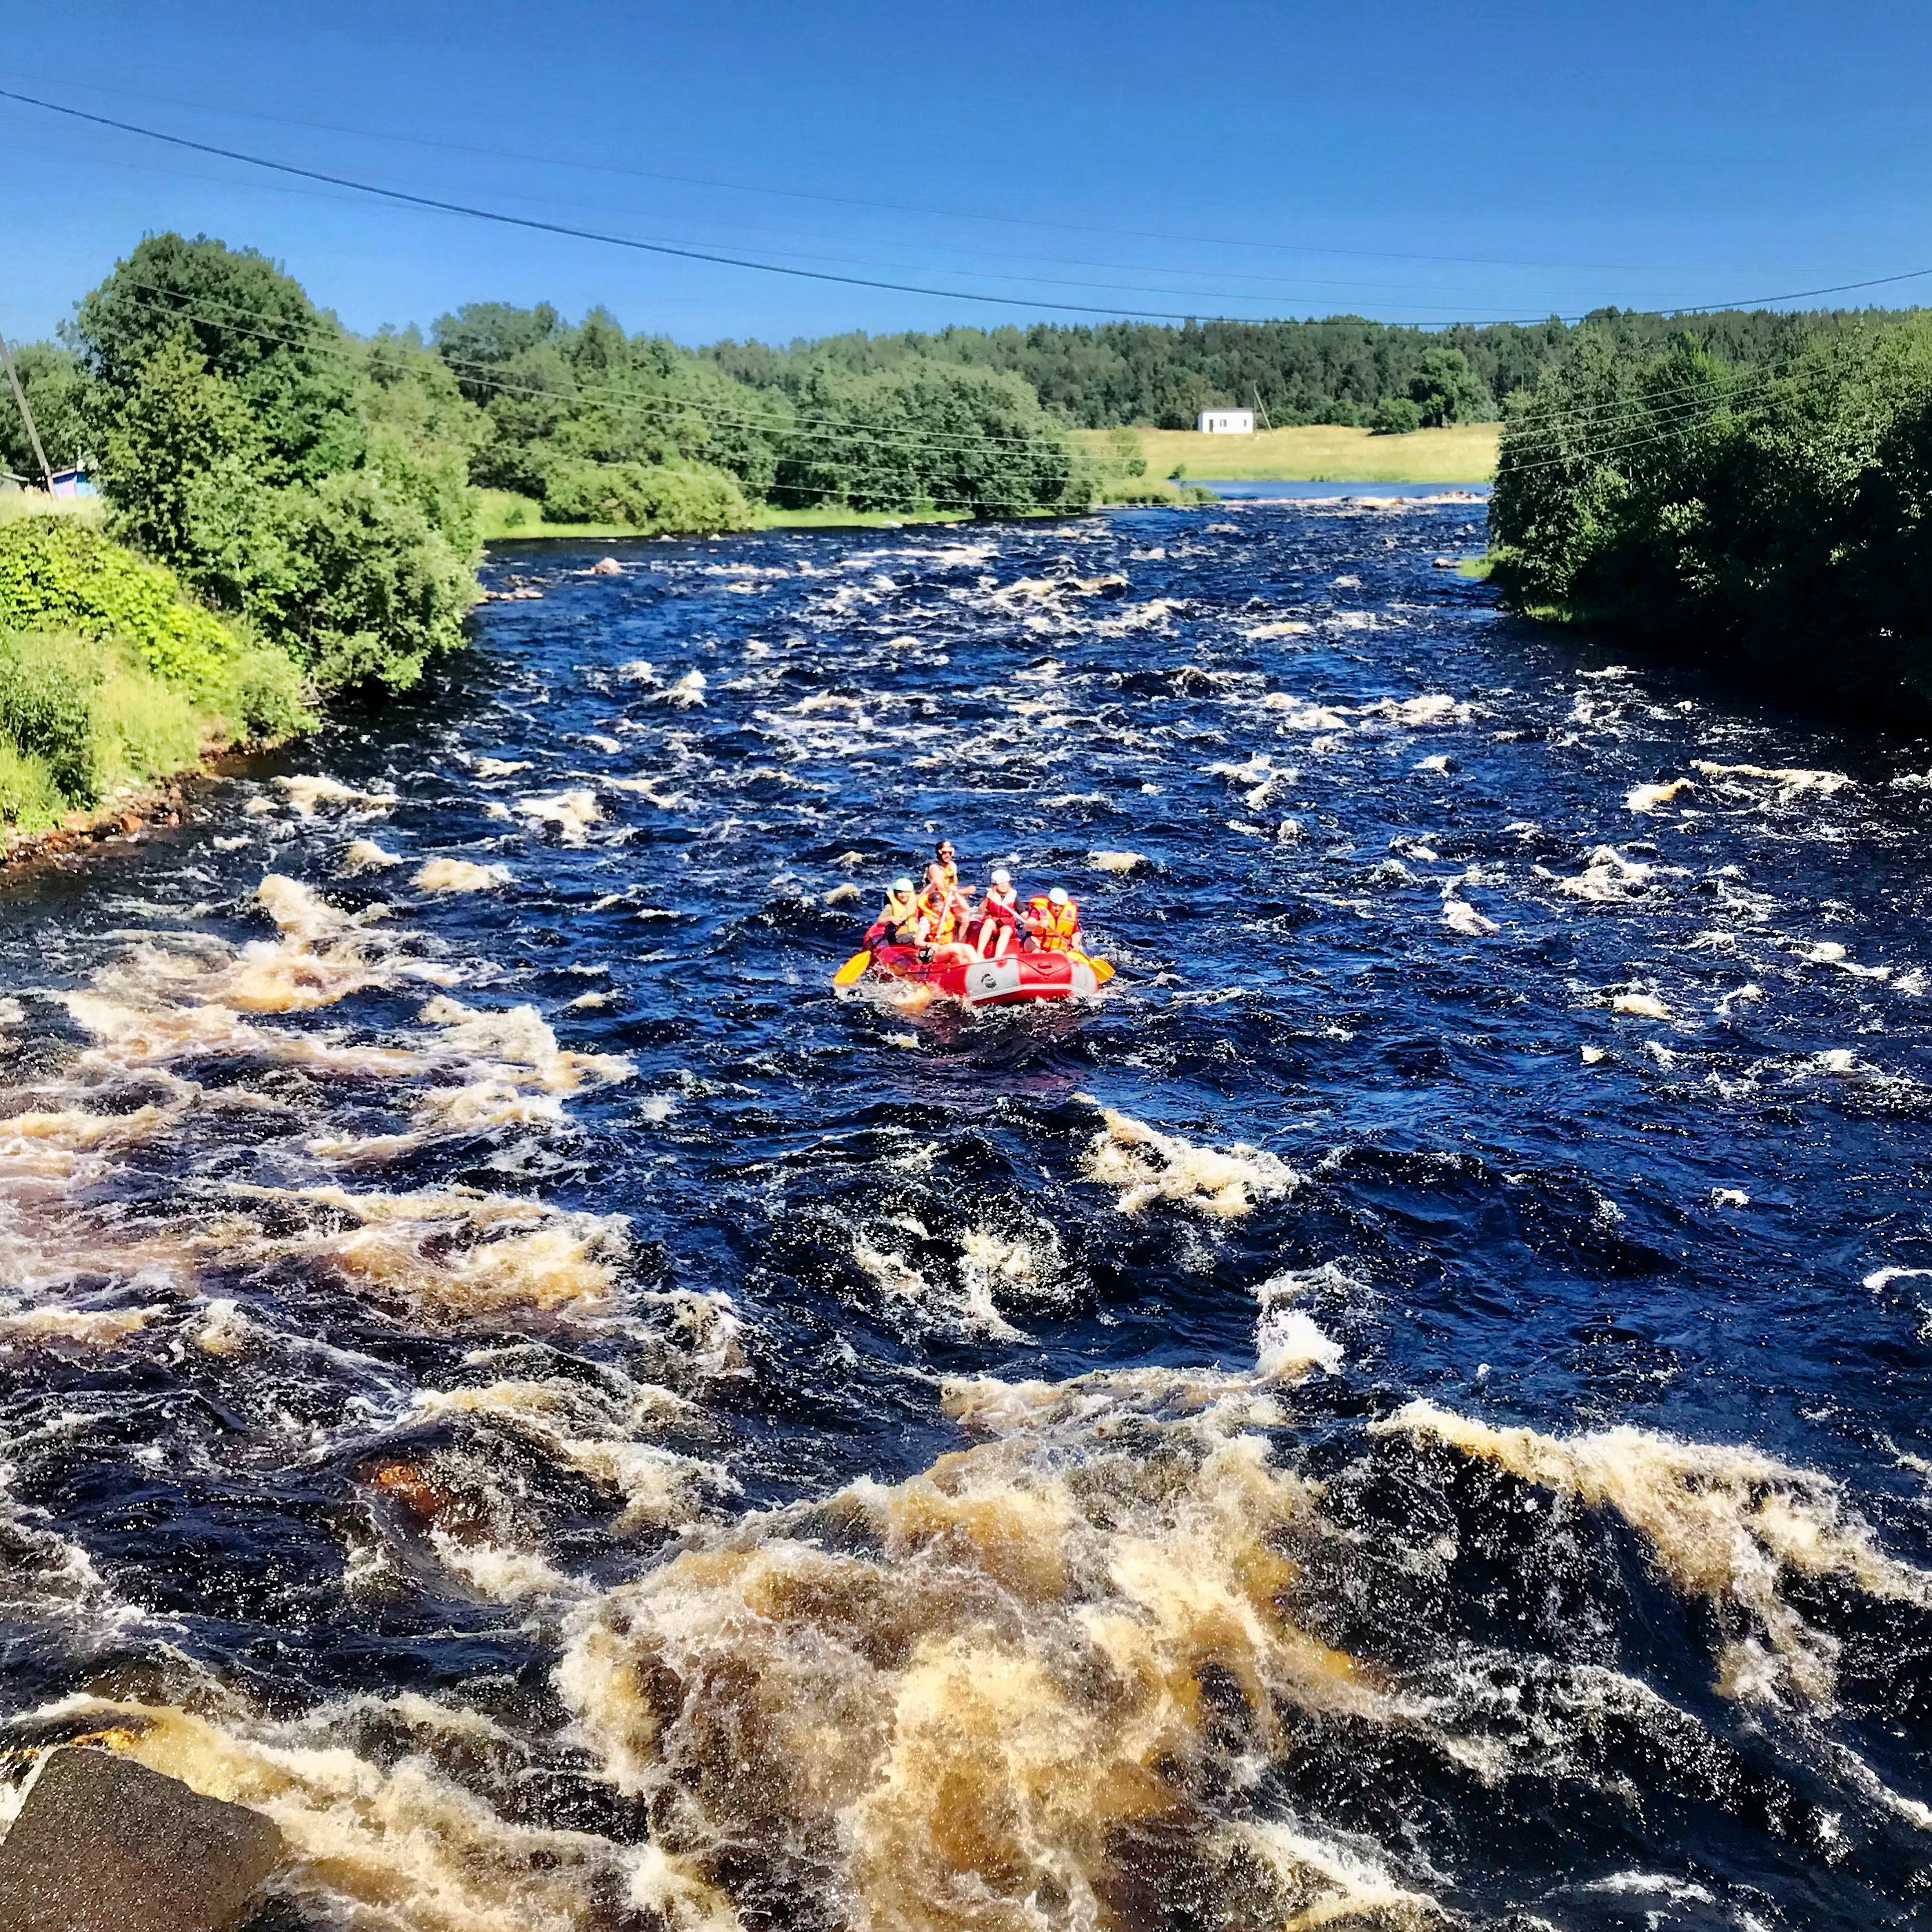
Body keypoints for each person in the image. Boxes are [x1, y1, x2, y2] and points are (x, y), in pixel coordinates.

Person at [972, 867, 1020, 959]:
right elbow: (980, 911)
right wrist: (987, 899)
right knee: (988, 922)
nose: (1003, 885)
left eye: (1005, 882)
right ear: (995, 885)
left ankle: (997, 957)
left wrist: (1029, 920)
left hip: (1007, 925)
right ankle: (979, 954)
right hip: (993, 924)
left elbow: (1022, 912)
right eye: (1000, 883)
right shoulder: (990, 895)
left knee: (1006, 929)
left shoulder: (1013, 895)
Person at [865, 877, 921, 951]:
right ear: (896, 893)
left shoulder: (915, 900)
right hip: (898, 936)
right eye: (900, 892)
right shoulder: (890, 907)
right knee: (915, 939)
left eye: (906, 892)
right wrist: (891, 919)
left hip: (914, 933)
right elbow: (879, 921)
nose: (903, 895)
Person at [1023, 885, 1081, 953]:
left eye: (1060, 906)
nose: (1057, 909)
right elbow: (1027, 926)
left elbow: (1075, 931)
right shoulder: (1038, 910)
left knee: (1059, 953)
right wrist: (1038, 924)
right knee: (1032, 942)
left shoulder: (1069, 914)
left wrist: (1075, 943)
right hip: (1038, 944)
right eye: (1055, 905)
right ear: (1049, 903)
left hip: (1056, 950)